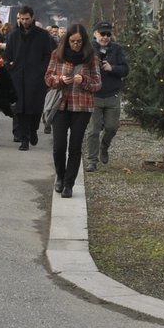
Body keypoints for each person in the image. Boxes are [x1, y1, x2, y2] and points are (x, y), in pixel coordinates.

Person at [45, 23, 101, 198]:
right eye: (72, 41)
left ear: (84, 41)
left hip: (82, 107)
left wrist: (82, 79)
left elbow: (97, 84)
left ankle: (69, 184)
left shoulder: (91, 58)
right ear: (66, 40)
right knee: (59, 146)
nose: (75, 44)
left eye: (79, 41)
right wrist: (60, 80)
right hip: (60, 105)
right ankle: (60, 177)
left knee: (75, 147)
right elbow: (48, 78)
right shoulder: (57, 55)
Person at [6, 6, 54, 150]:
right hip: (18, 77)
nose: (25, 21)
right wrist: (11, 67)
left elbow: (48, 55)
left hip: (36, 78)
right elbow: (8, 55)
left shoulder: (43, 35)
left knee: (35, 109)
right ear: (19, 18)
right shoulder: (13, 35)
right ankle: (24, 139)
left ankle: (33, 131)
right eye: (22, 19)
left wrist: (41, 69)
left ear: (32, 17)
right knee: (20, 109)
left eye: (27, 19)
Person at [85, 21, 129, 172]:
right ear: (95, 33)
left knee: (112, 127)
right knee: (93, 130)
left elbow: (125, 69)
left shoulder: (117, 49)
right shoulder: (89, 49)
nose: (105, 37)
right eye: (102, 34)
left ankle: (104, 146)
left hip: (112, 95)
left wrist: (113, 68)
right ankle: (92, 160)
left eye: (108, 34)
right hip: (94, 95)